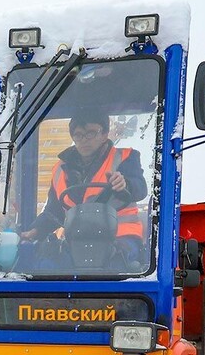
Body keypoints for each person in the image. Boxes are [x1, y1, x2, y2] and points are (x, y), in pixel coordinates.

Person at [20, 108, 148, 268]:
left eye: (91, 133)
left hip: (121, 236)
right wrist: (36, 230)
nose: (84, 140)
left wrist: (125, 184)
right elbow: (55, 210)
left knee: (115, 266)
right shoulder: (60, 169)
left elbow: (140, 188)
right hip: (77, 241)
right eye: (78, 135)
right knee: (47, 265)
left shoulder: (125, 158)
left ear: (105, 133)